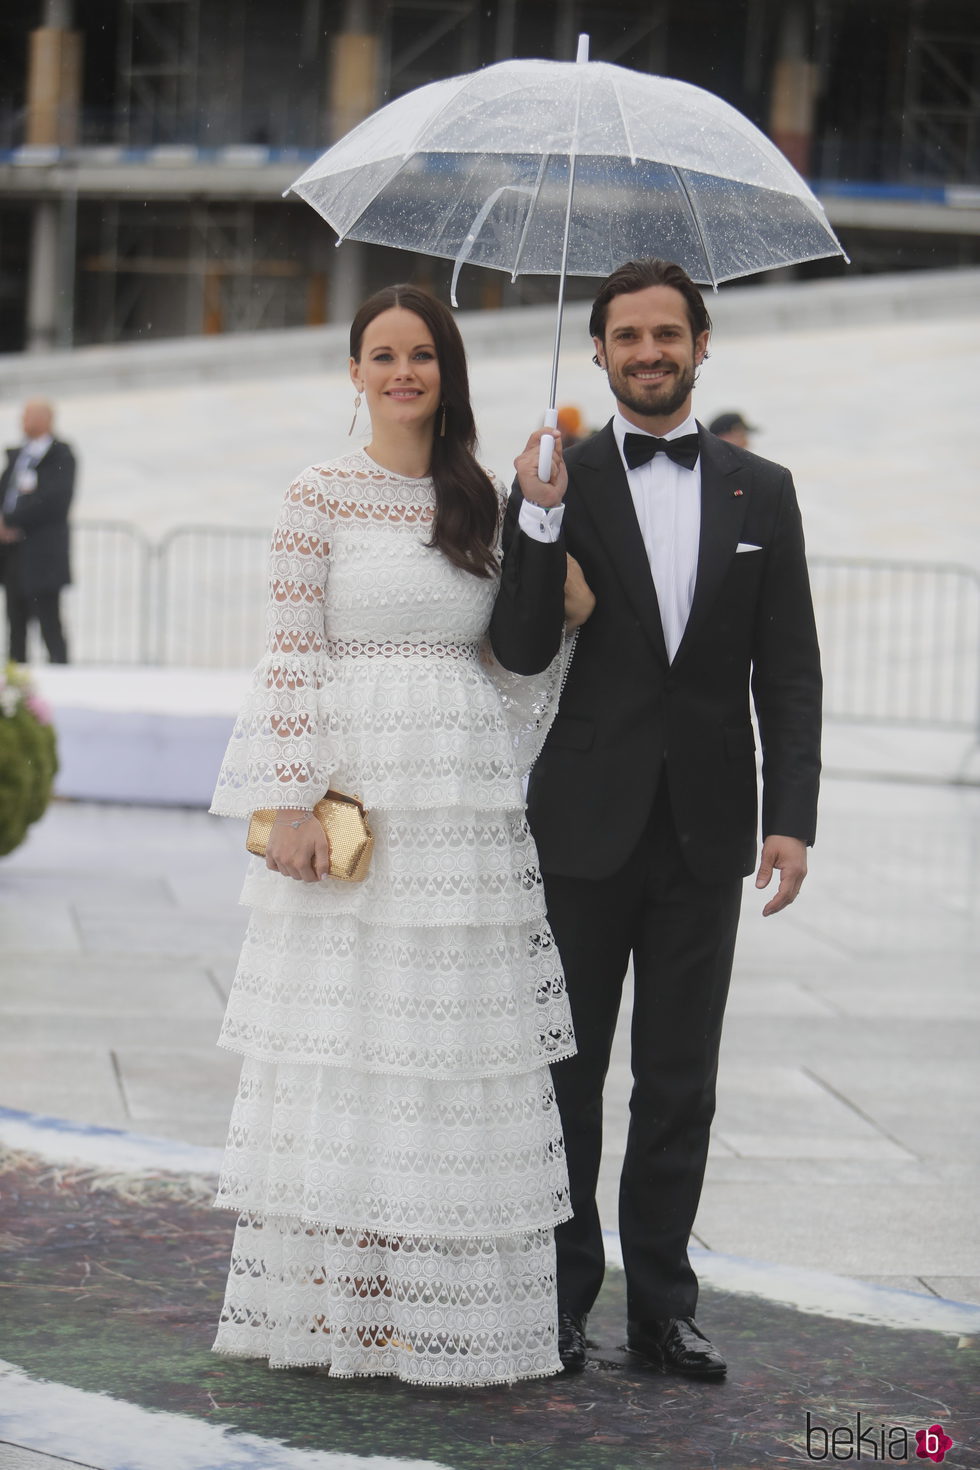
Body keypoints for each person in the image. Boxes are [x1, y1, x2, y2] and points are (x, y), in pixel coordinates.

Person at [208, 284, 587, 1389]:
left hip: (459, 810)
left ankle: (439, 1302)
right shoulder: (315, 494)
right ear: (355, 372)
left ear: (446, 370)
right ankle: (349, 1300)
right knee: (349, 1046)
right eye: (383, 353)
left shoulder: (481, 495)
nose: (403, 371)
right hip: (354, 795)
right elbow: (288, 653)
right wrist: (285, 801)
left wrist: (545, 538)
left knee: (449, 1053)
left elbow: (515, 658)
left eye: (422, 353)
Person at [490, 258, 822, 1380]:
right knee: (566, 1077)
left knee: (680, 1081)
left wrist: (793, 817)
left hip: (709, 831)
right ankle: (560, 1301)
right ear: (595, 351)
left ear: (698, 343)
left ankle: (662, 1309)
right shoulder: (555, 478)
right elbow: (523, 646)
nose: (646, 351)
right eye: (625, 335)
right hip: (581, 825)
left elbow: (788, 671)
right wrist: (532, 524)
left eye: (665, 333)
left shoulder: (760, 489)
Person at [0, 399, 75, 664]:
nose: (23, 421)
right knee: (15, 624)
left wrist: (10, 520)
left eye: (28, 416)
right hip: (12, 554)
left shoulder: (62, 456)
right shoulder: (18, 455)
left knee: (49, 624)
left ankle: (63, 683)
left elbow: (53, 501)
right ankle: (15, 689)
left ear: (46, 419)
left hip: (42, 555)